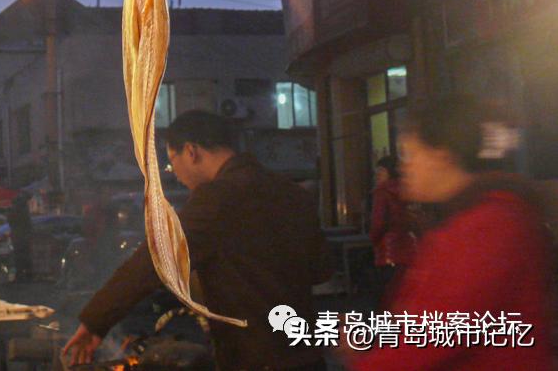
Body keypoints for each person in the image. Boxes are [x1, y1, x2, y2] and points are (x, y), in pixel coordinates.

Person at [63, 110, 333, 371]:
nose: (175, 173)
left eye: (172, 160)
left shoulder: (216, 198)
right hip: (306, 355)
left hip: (256, 358)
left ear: (191, 151)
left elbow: (153, 262)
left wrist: (94, 322)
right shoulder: (293, 193)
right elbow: (320, 270)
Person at [352, 98, 554, 370]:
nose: (403, 167)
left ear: (442, 157)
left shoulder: (484, 229)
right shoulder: (487, 216)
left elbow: (428, 340)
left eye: (410, 154)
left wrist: (363, 358)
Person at [368, 155, 416, 293]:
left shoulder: (381, 192)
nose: (377, 175)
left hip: (388, 252)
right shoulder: (409, 190)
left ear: (390, 172)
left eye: (380, 171)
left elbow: (378, 223)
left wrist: (373, 239)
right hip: (410, 250)